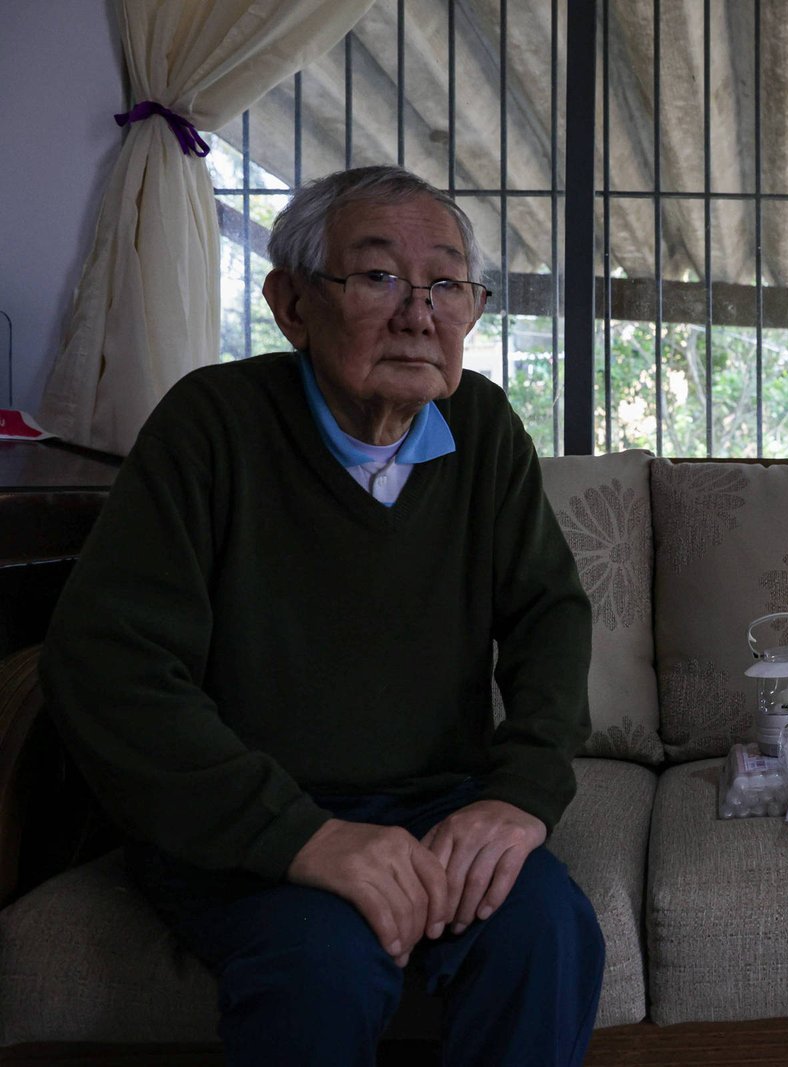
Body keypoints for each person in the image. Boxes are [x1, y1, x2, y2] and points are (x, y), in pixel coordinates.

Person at [43, 165, 604, 1067]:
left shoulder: (484, 429)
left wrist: (517, 794)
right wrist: (303, 835)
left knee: (548, 933)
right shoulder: (211, 427)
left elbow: (549, 615)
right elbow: (108, 666)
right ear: (292, 303)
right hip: (250, 822)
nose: (420, 313)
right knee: (323, 966)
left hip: (436, 802)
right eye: (379, 276)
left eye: (447, 284)